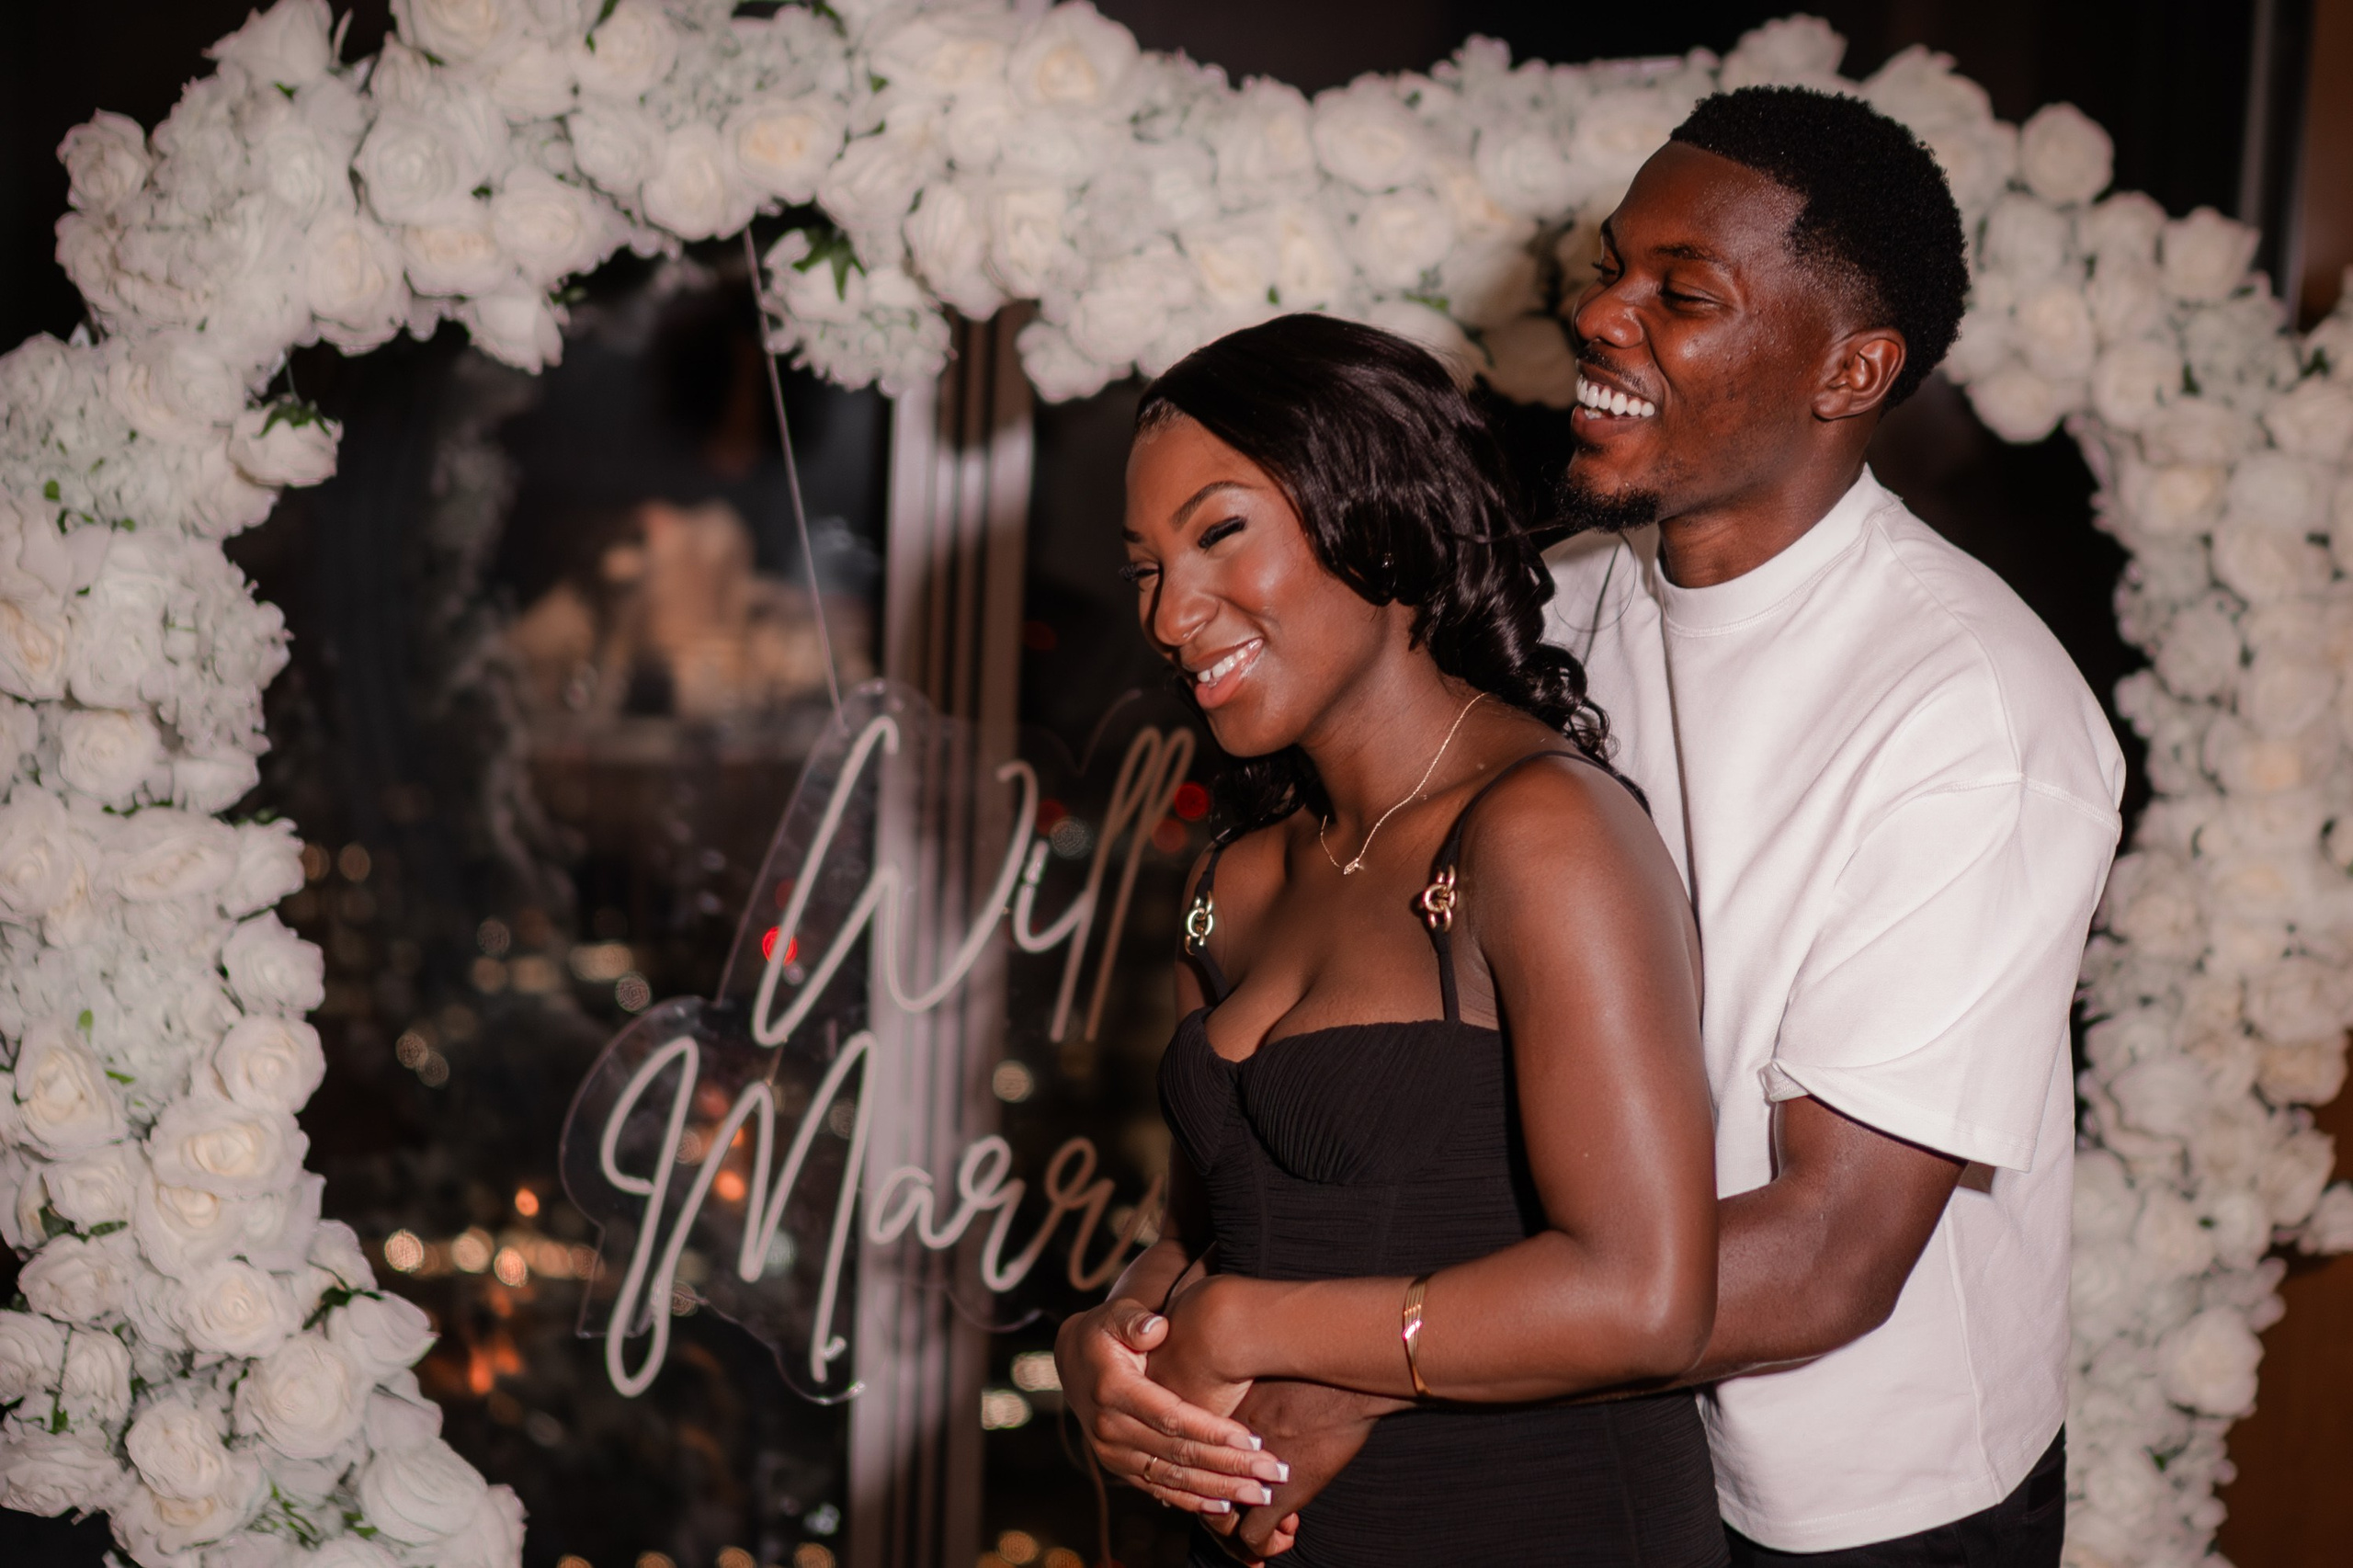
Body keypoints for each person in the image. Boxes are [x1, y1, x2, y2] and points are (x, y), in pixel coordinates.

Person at [1065, 87, 2124, 1568]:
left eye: (1681, 294)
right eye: (1611, 266)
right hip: (1574, 1436)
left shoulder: (1979, 717)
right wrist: (1144, 1321)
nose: (1604, 314)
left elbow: (1828, 1251)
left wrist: (1360, 1355)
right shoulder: (1551, 609)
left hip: (1857, 1498)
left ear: (1852, 369)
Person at [1059, 311, 1730, 1566]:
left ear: (1377, 510)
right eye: (1145, 565)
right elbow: (1204, 1234)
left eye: (1218, 533)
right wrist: (1107, 1340)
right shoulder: (1233, 883)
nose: (1169, 613)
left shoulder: (1541, 831)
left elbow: (1647, 1299)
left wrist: (1256, 1323)